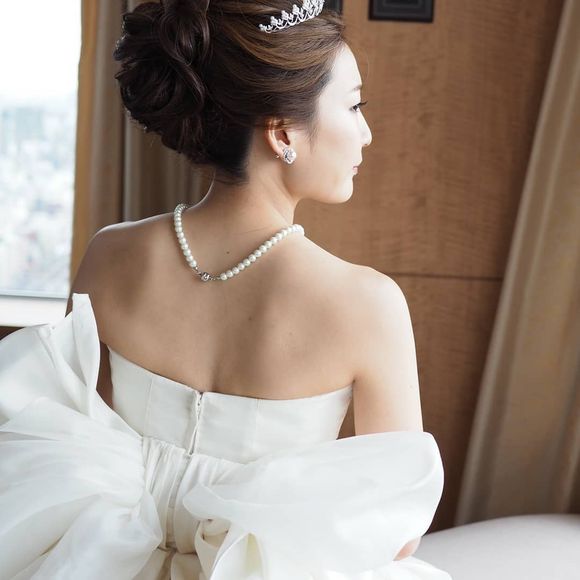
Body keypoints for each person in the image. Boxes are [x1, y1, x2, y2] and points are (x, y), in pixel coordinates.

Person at [0, 0, 452, 578]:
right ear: (282, 132)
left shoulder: (111, 255)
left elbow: (74, 441)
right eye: (354, 105)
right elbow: (398, 531)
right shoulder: (367, 305)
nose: (366, 133)